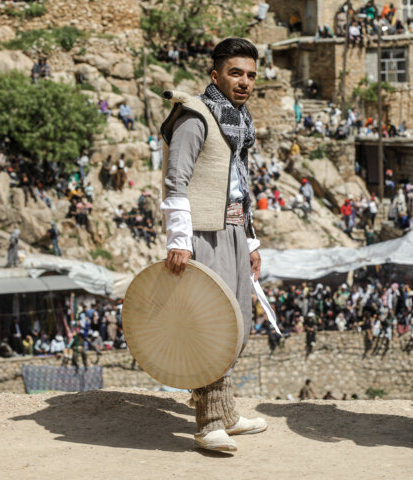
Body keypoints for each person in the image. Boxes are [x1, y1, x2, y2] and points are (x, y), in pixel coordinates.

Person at [160, 38, 267, 453]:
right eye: (236, 73)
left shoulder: (240, 121)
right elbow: (176, 179)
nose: (244, 82)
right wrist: (179, 240)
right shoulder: (195, 116)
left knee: (237, 320)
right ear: (215, 74)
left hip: (234, 231)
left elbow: (238, 185)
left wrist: (251, 240)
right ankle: (208, 423)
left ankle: (225, 412)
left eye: (251, 75)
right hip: (202, 233)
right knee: (209, 323)